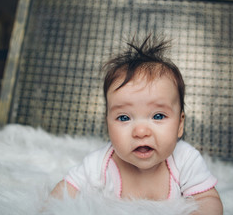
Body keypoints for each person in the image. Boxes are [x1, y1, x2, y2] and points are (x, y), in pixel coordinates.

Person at [50, 35, 223, 214]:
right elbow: (63, 193)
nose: (140, 131)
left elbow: (207, 199)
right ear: (107, 124)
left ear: (180, 125)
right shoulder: (99, 164)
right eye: (124, 118)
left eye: (158, 115)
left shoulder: (185, 160)